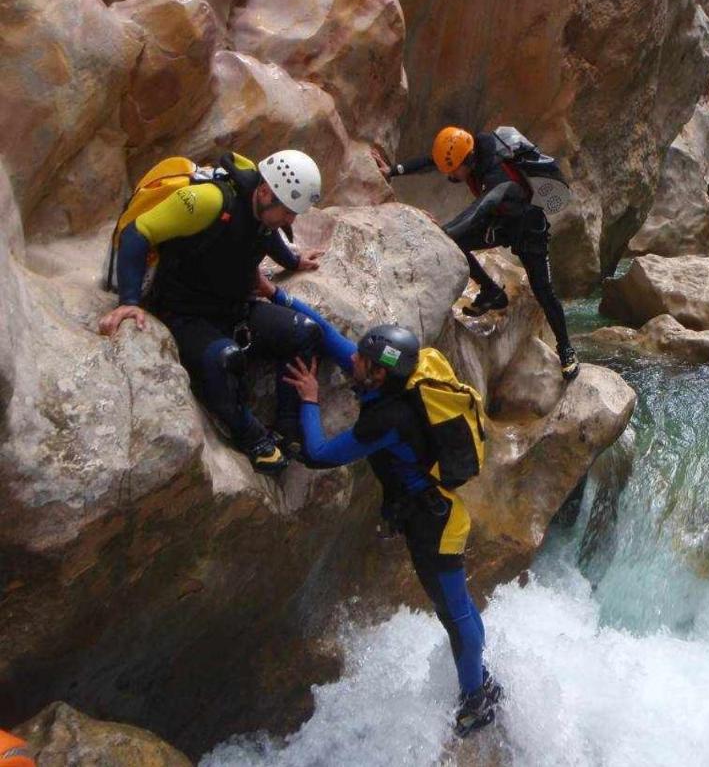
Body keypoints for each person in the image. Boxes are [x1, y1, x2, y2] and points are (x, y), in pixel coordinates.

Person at [265, 275, 502, 737]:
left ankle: (476, 699)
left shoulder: (388, 419)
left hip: (434, 523)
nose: (350, 359)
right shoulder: (400, 379)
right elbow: (332, 342)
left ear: (375, 374)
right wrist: (279, 296)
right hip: (433, 511)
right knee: (458, 612)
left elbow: (318, 454)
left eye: (361, 359)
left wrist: (310, 400)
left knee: (455, 616)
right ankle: (481, 684)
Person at [98, 150, 325, 474]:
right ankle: (250, 435)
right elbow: (138, 232)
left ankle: (287, 427)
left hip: (234, 308)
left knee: (305, 332)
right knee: (225, 359)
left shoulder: (263, 209)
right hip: (184, 313)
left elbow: (265, 231)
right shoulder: (208, 202)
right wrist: (130, 300)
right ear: (264, 191)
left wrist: (292, 261)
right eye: (288, 212)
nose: (291, 221)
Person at [374, 127, 580, 380]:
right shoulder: (468, 148)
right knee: (457, 242)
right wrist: (394, 170)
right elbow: (434, 161)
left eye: (453, 171)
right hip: (500, 223)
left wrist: (442, 232)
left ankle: (566, 349)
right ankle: (492, 292)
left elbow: (479, 210)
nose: (450, 175)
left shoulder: (496, 176)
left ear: (465, 162)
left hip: (528, 227)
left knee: (543, 291)